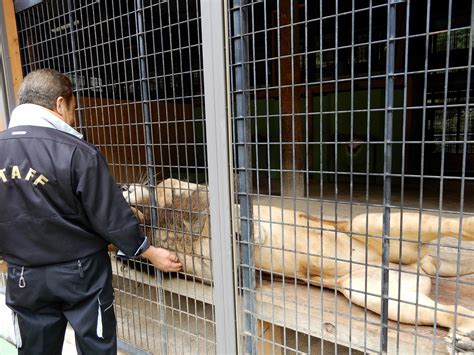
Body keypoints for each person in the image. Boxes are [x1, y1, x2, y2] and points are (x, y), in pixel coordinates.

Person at [0, 68, 182, 354]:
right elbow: (110, 216)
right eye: (73, 109)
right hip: (80, 274)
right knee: (96, 346)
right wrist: (147, 251)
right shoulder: (77, 152)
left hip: (24, 276)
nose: (72, 118)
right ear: (60, 104)